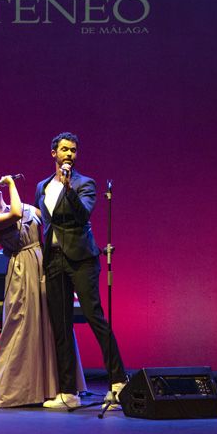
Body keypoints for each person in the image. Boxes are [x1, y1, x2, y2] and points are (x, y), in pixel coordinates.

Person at [0, 175, 85, 407]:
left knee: (51, 323)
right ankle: (16, 388)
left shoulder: (25, 206)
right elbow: (16, 214)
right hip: (23, 270)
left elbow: (49, 221)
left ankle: (60, 386)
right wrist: (12, 184)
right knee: (23, 325)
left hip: (44, 262)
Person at [35, 132, 127, 410]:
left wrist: (68, 188)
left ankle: (118, 381)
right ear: (53, 153)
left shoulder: (84, 184)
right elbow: (46, 222)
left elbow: (83, 214)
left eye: (73, 150)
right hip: (54, 260)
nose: (69, 154)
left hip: (82, 259)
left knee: (94, 316)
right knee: (61, 325)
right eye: (64, 149)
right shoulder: (42, 186)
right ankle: (67, 392)